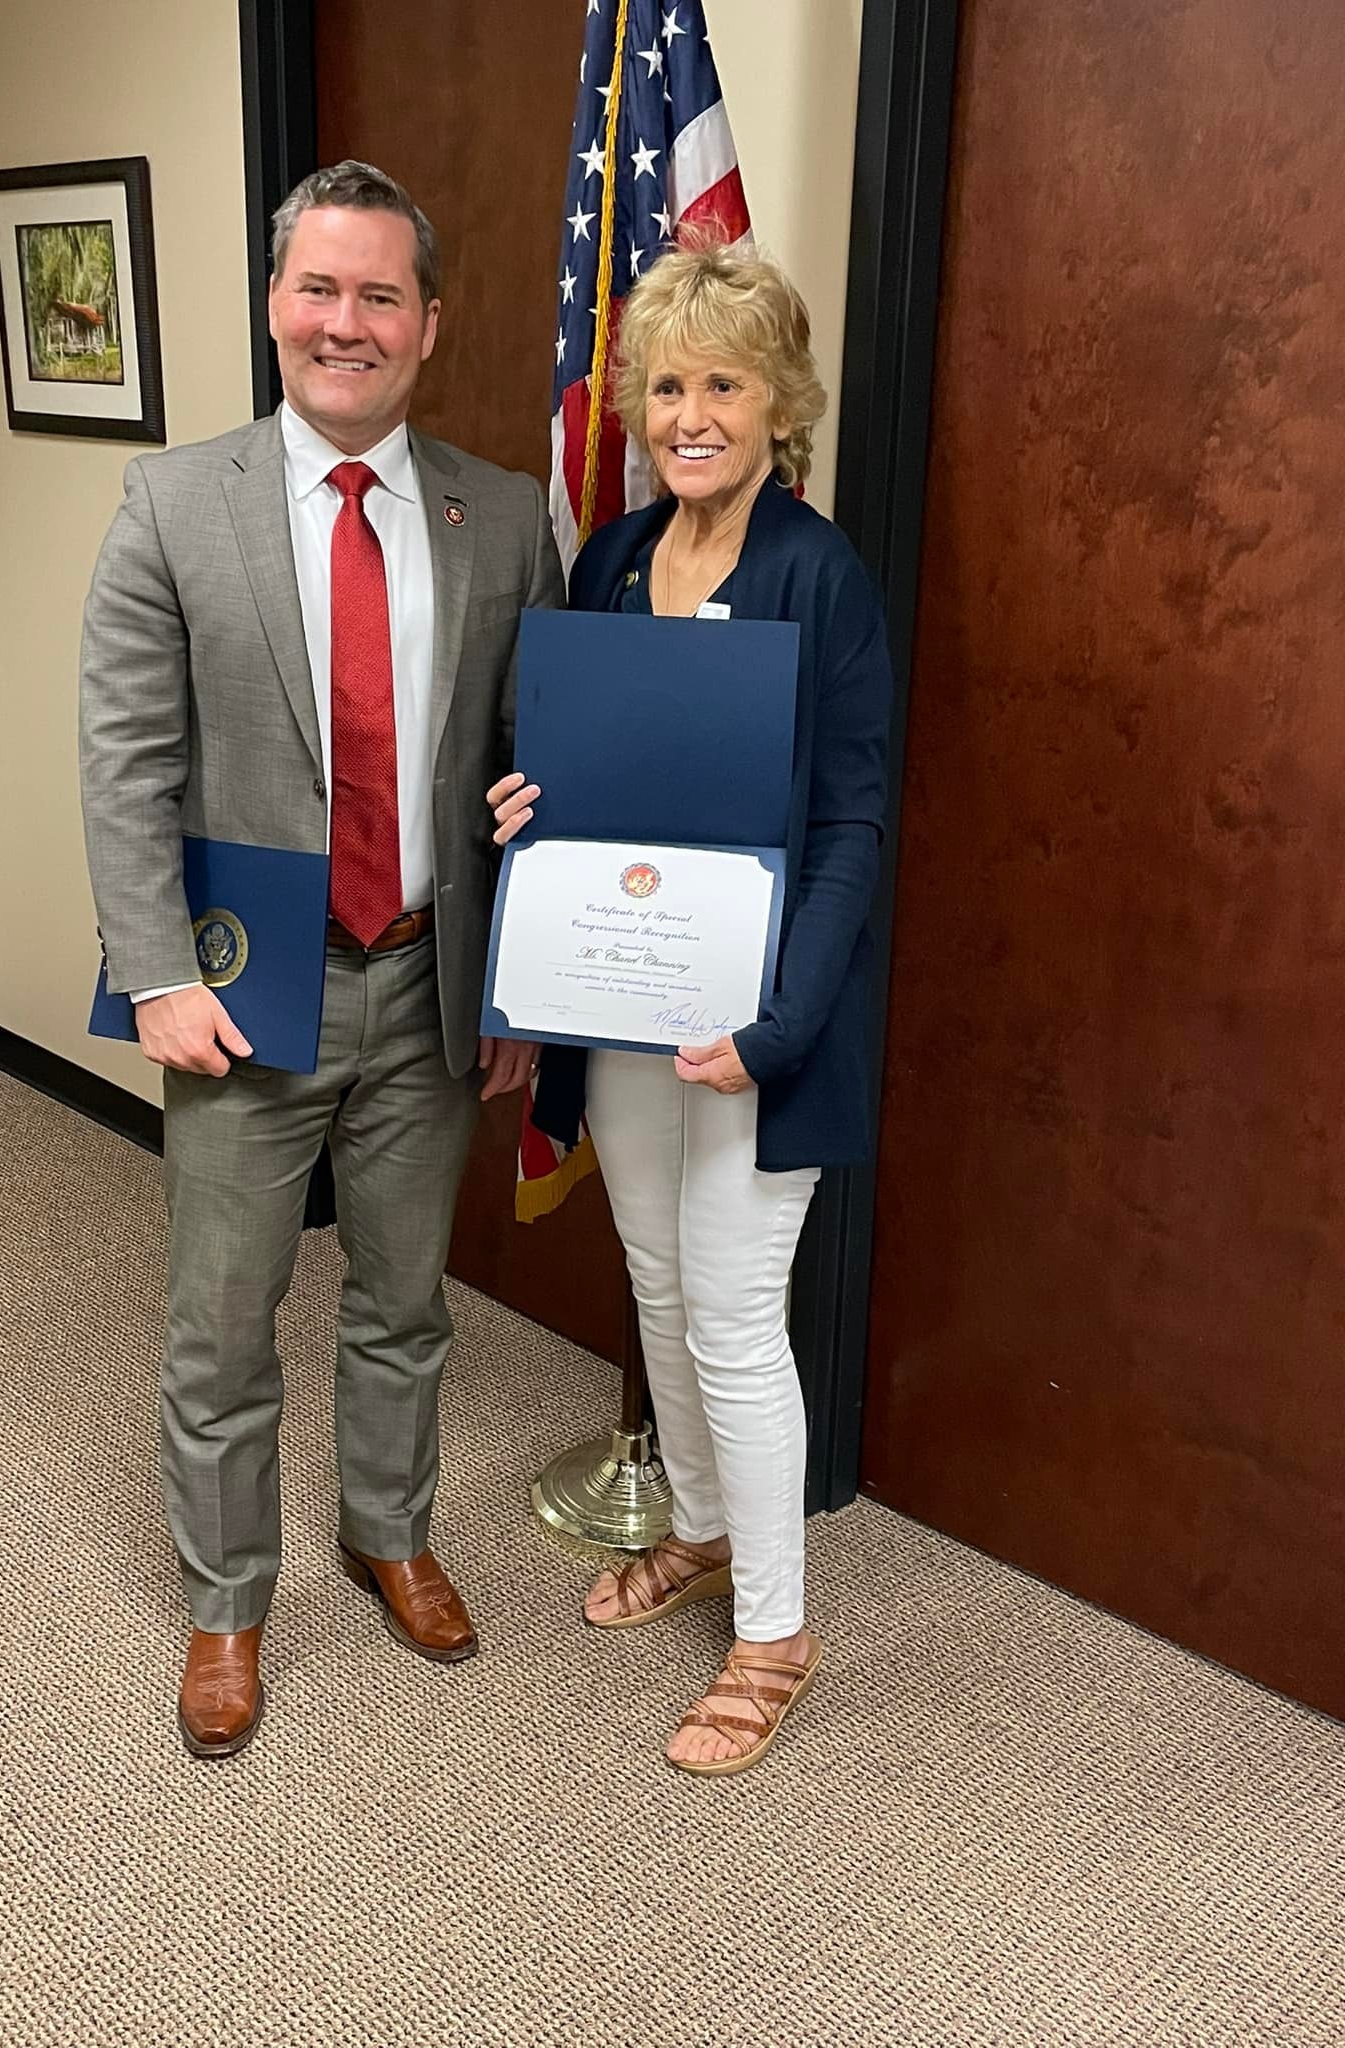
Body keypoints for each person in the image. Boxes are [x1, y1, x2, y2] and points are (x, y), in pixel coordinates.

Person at [81, 161, 562, 1759]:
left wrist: (516, 990)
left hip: (429, 983)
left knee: (405, 1302)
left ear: (428, 324)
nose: (344, 323)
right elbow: (126, 763)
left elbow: (533, 762)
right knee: (223, 1325)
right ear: (274, 304)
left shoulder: (506, 515)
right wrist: (158, 970)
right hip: (245, 989)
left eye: (379, 295)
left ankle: (387, 1532)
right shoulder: (174, 503)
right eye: (318, 289)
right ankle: (228, 1604)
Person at [488, 241, 892, 1777]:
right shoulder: (608, 561)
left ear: (780, 401)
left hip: (758, 1027)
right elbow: (583, 777)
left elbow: (852, 826)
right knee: (658, 1288)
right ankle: (708, 1532)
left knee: (731, 1314)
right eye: (666, 386)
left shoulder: (818, 576)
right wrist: (526, 814)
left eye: (724, 383)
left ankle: (775, 1634)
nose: (691, 415)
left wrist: (777, 1029)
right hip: (625, 1002)